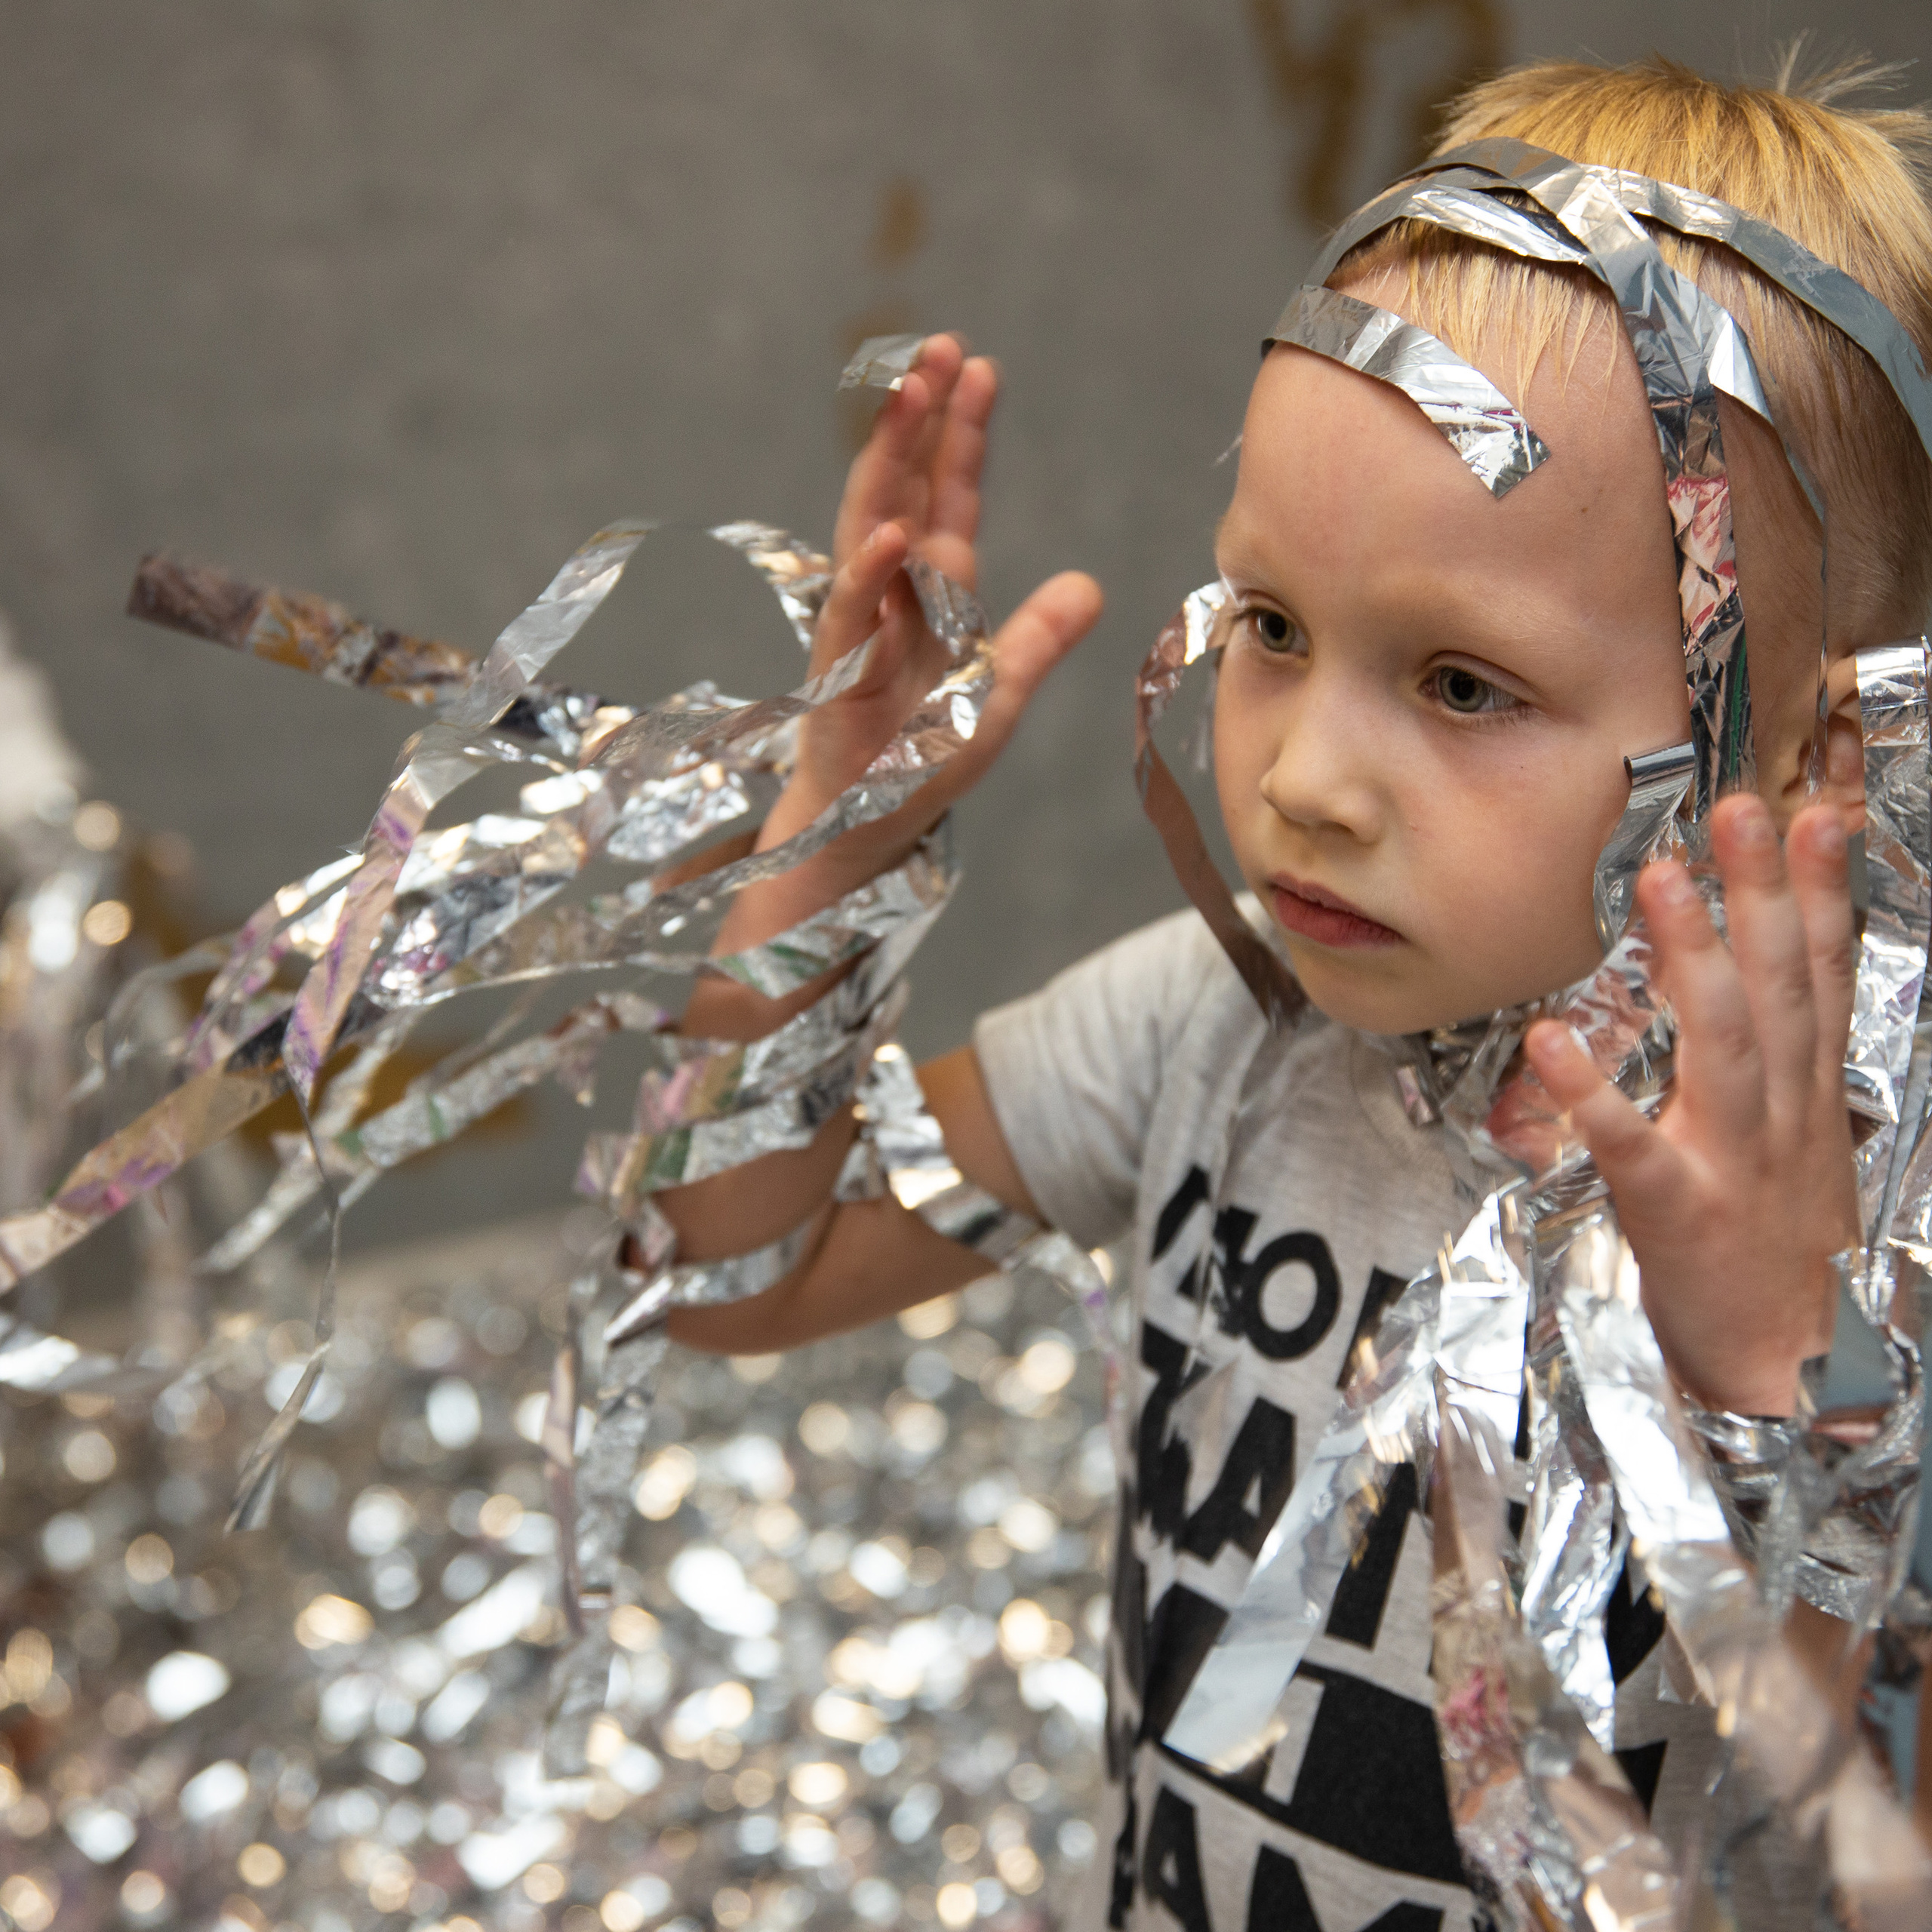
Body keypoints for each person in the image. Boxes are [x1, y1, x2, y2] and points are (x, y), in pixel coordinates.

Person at [657, 55, 1932, 1932]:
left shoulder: (1870, 1190)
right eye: (1269, 627)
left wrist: (1779, 1381)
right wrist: (822, 844)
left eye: (1459, 683)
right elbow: (732, 1268)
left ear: (1805, 749)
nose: (1301, 779)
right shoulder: (1222, 1014)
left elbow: (1847, 1851)